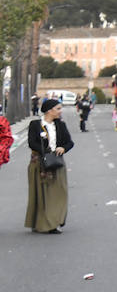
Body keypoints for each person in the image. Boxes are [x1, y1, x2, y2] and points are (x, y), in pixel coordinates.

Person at [25, 98, 74, 234]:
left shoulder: (60, 125)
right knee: (40, 194)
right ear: (49, 110)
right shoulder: (35, 125)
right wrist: (45, 151)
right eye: (58, 109)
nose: (60, 111)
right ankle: (38, 222)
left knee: (59, 193)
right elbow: (31, 143)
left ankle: (54, 221)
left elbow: (69, 142)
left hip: (56, 163)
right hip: (39, 164)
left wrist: (63, 148)